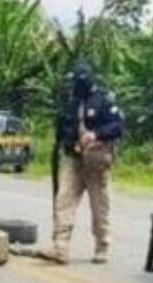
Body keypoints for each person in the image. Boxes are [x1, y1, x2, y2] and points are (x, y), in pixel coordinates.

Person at [36, 62, 124, 264]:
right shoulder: (70, 101)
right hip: (73, 159)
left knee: (99, 205)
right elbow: (62, 127)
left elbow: (118, 126)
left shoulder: (103, 99)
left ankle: (102, 246)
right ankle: (60, 248)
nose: (77, 85)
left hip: (95, 161)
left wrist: (96, 134)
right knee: (63, 201)